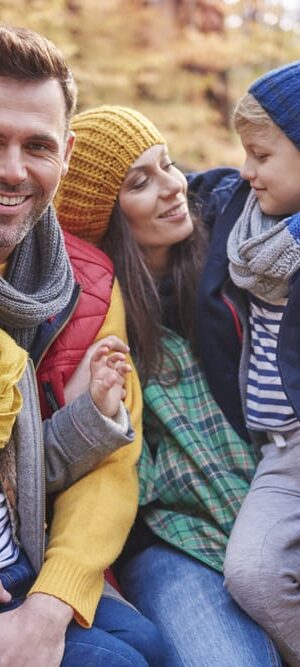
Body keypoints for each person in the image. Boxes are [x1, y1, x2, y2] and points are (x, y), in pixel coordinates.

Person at [55, 105, 283, 666]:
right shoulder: (85, 316)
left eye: (168, 165)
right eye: (141, 182)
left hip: (269, 499)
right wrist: (96, 410)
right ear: (105, 215)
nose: (172, 187)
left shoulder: (236, 252)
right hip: (170, 541)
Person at [0, 24, 166, 667]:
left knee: (146, 643)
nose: (12, 170)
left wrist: (51, 602)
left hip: (29, 552)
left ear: (66, 155)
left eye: (36, 145)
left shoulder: (90, 282)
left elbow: (109, 467)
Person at [189, 61, 300, 667]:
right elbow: (178, 180)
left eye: (261, 154)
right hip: (278, 451)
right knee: (252, 574)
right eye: (243, 153)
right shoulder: (241, 213)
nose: (246, 169)